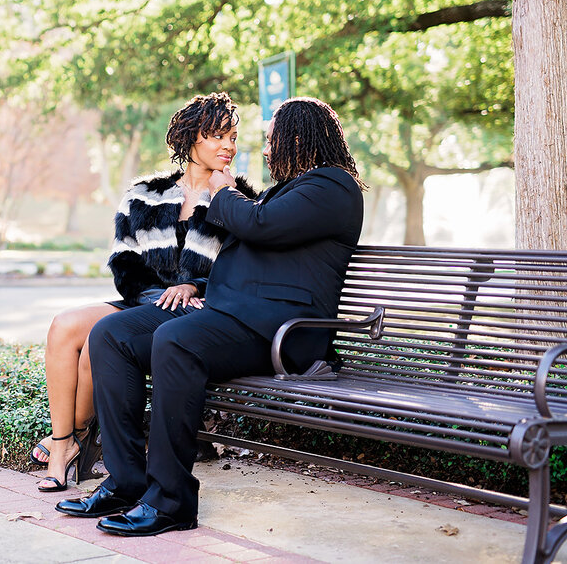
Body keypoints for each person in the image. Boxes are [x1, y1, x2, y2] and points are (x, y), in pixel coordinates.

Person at [54, 96, 366, 535]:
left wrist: (221, 191)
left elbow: (260, 225)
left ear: (297, 138)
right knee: (112, 334)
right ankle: (127, 483)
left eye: (271, 138)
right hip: (234, 316)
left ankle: (171, 502)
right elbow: (253, 230)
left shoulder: (332, 188)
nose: (263, 149)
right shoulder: (295, 188)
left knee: (176, 342)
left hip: (279, 331)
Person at [33, 92, 257, 492]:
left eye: (233, 137)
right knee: (65, 326)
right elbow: (124, 262)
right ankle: (66, 441)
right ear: (191, 139)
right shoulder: (144, 195)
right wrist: (155, 298)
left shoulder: (240, 200)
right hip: (145, 301)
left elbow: (242, 270)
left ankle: (71, 443)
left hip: (200, 314)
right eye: (217, 136)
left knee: (99, 345)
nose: (229, 146)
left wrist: (193, 286)